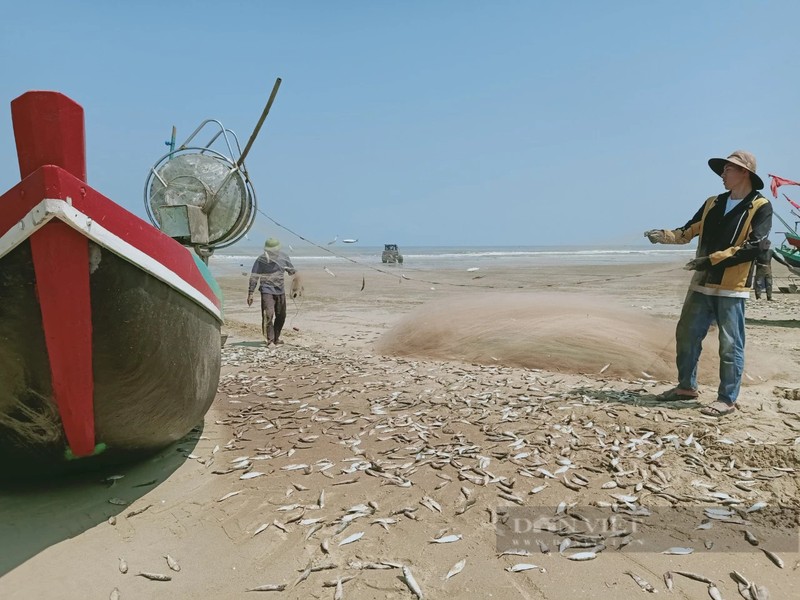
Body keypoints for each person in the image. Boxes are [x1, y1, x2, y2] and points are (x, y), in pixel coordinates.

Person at [644, 150, 773, 417]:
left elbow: (754, 247)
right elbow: (687, 231)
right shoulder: (713, 203)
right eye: (723, 170)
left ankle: (727, 398)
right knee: (687, 336)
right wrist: (663, 235)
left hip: (732, 288)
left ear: (744, 173)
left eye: (728, 170)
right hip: (701, 284)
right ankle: (686, 387)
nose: (722, 175)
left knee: (730, 344)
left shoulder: (760, 206)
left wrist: (709, 260)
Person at [247, 238, 300, 345]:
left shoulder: (284, 257)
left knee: (281, 315)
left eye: (274, 251)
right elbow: (254, 276)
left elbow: (292, 271)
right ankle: (270, 340)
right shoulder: (261, 259)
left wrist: (297, 282)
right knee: (268, 315)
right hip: (266, 289)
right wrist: (250, 293)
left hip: (280, 290)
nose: (272, 253)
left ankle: (276, 338)